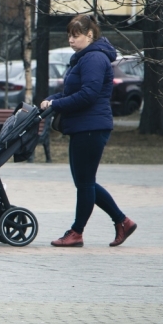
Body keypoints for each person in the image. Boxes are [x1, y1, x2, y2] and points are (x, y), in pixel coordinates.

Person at [40, 14, 137, 247]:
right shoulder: (83, 58)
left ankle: (76, 232)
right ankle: (122, 221)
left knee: (84, 183)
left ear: (90, 35)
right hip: (85, 126)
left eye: (76, 35)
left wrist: (57, 105)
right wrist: (52, 99)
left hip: (91, 126)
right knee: (86, 182)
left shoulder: (93, 58)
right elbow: (71, 92)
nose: (71, 40)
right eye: (69, 36)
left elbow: (88, 95)